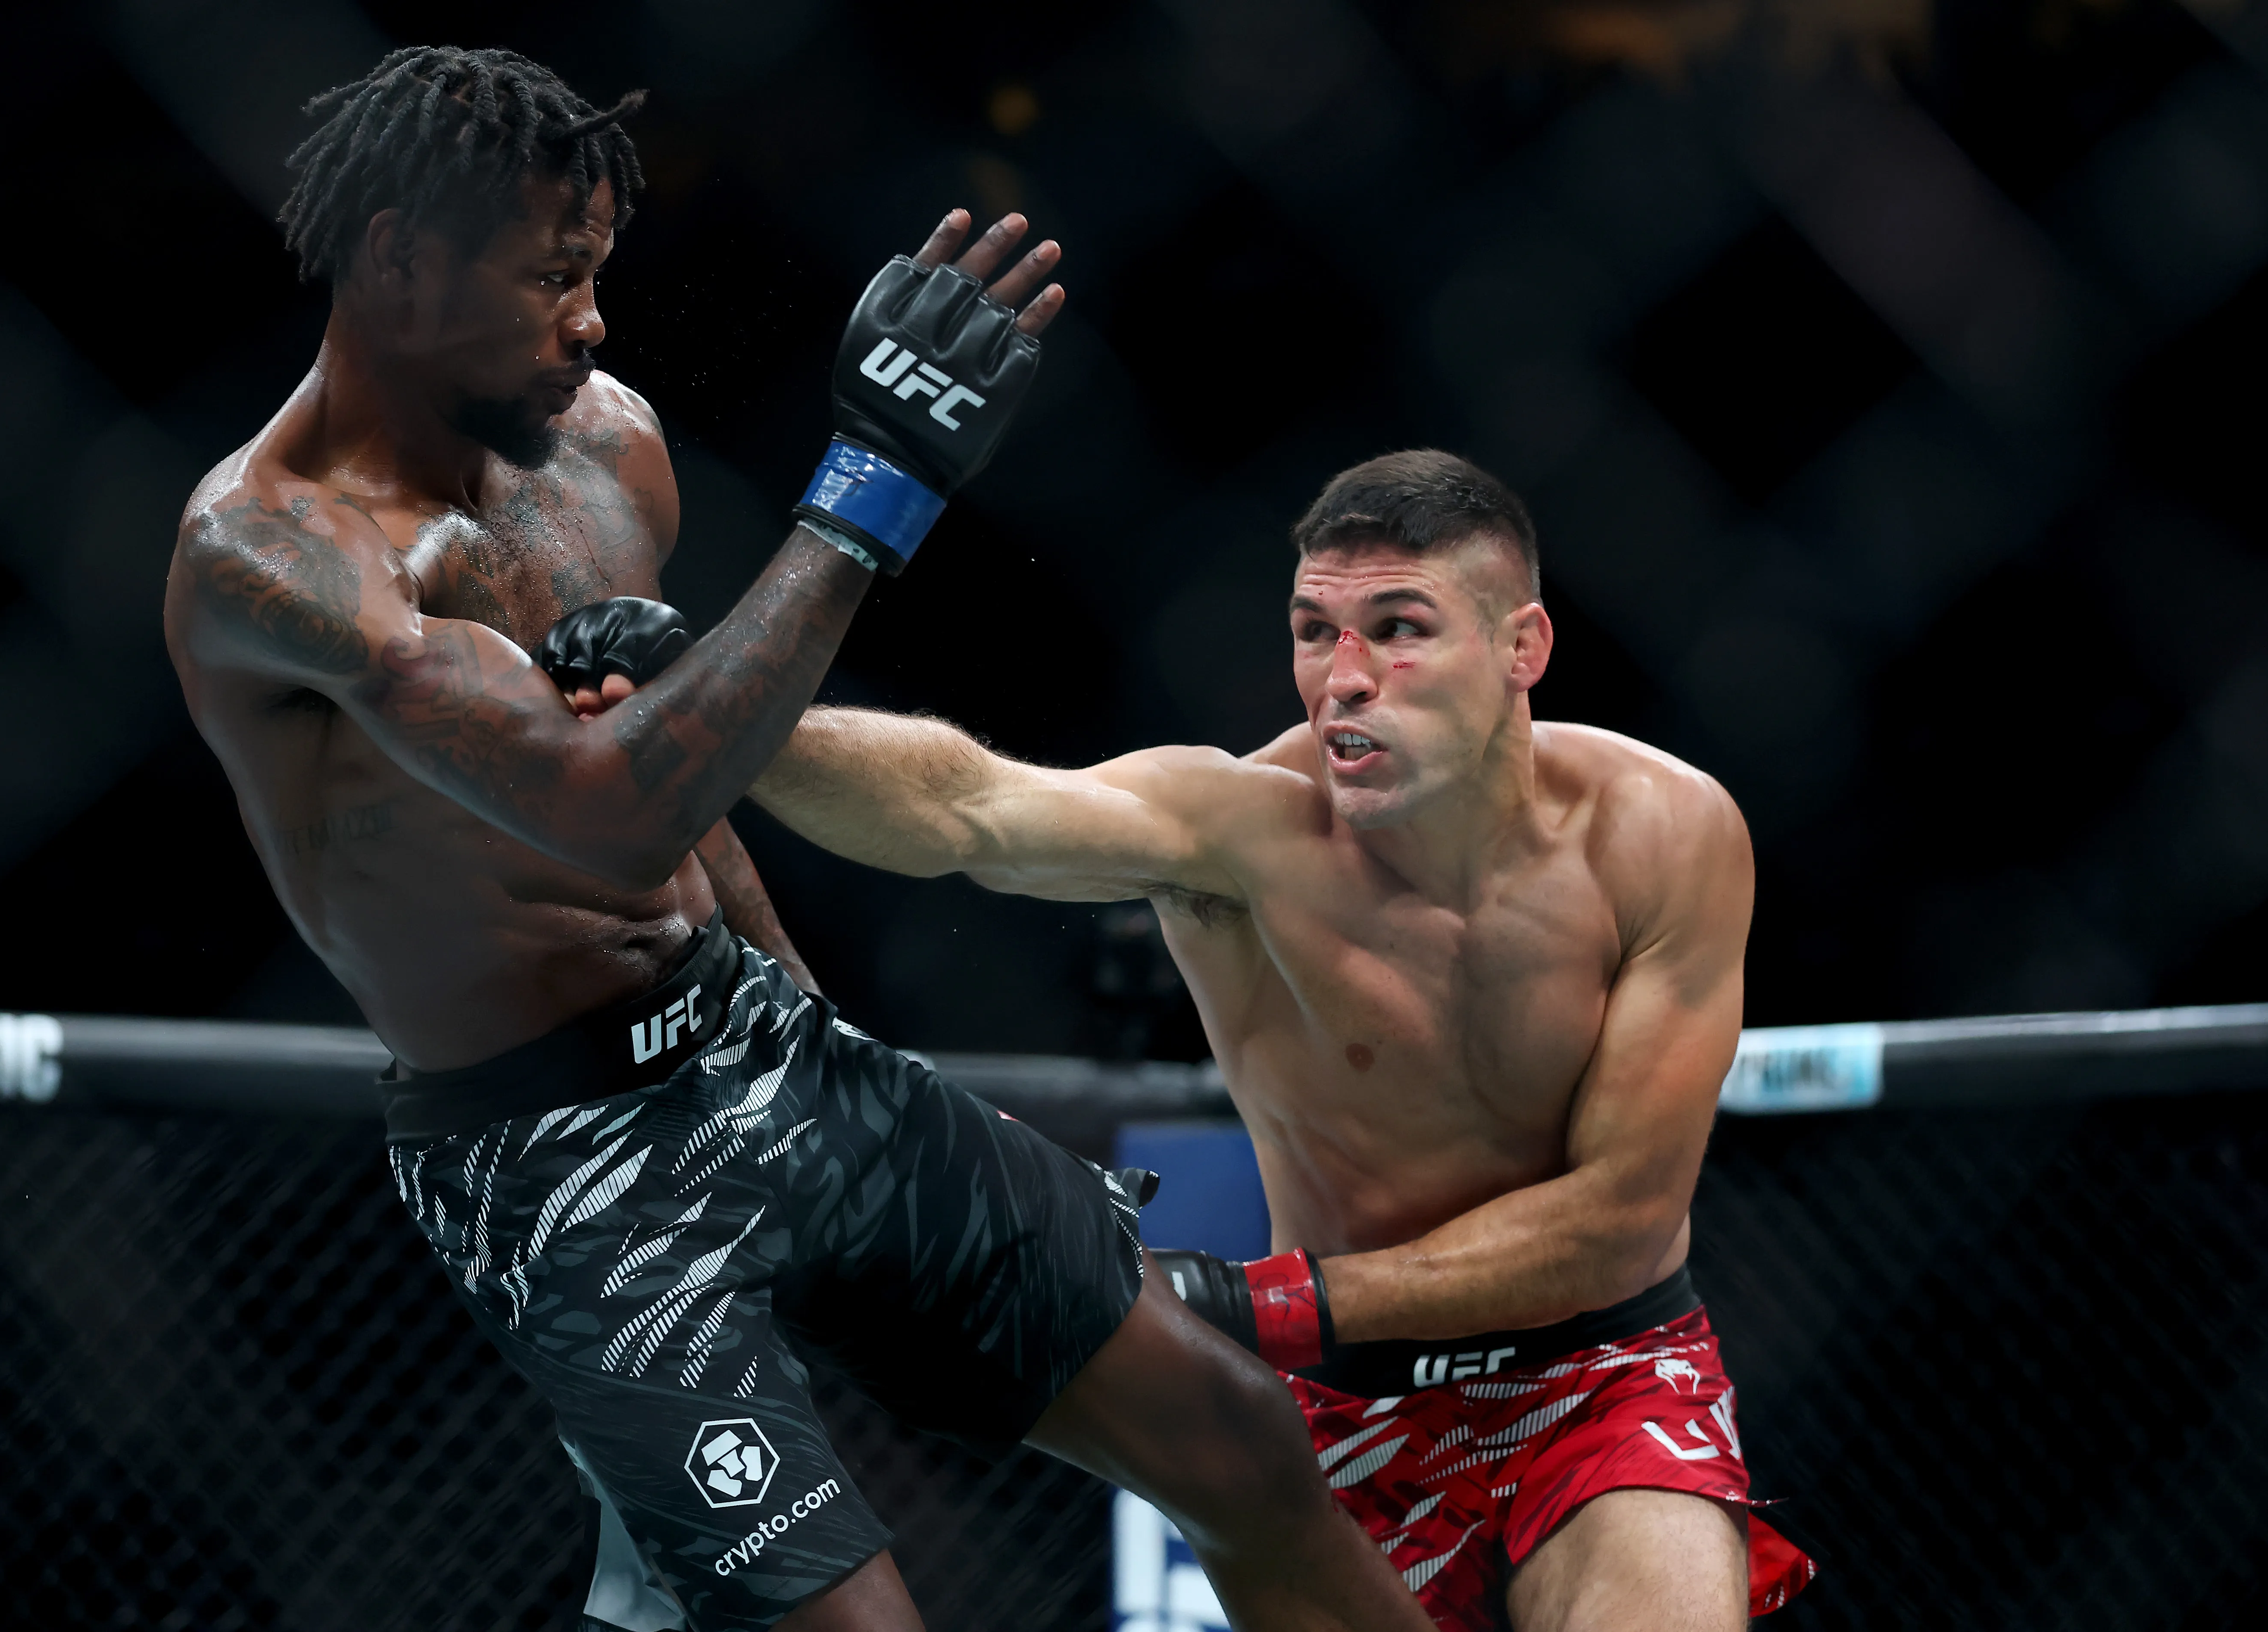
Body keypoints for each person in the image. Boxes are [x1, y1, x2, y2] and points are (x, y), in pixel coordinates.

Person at [162, 45, 1439, 1632]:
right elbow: (611, 816)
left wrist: (805, 1018)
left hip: (762, 1044)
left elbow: (692, 780)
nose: (593, 320)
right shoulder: (271, 554)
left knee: (1243, 1442)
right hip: (564, 1158)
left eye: (598, 273)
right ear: (403, 263)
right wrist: (869, 496)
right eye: (552, 278)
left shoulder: (600, 449)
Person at [612, 449, 1821, 1629]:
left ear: (1523, 648)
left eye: (1401, 628)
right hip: (1342, 1413)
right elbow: (966, 803)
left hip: (1600, 1375)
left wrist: (1255, 1306)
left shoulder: (1663, 834)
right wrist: (731, 718)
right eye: (1314, 630)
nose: (1345, 677)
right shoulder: (1240, 837)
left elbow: (1613, 1223)